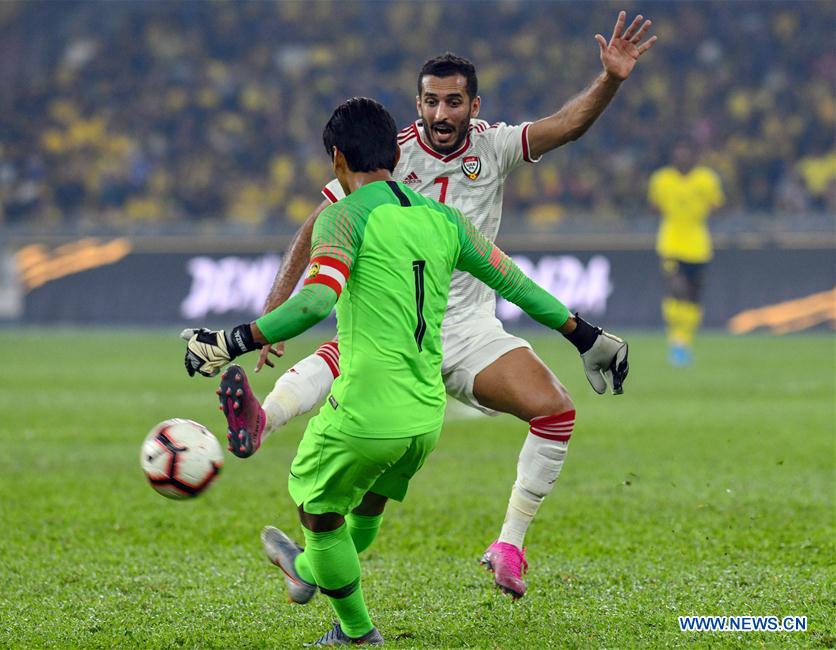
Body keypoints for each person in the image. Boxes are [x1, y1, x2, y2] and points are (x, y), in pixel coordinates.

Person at [226, 11, 656, 599]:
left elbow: (566, 126)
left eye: (454, 102)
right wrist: (277, 306)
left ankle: (507, 545)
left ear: (473, 107)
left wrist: (610, 80)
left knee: (555, 410)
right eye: (430, 101)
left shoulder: (496, 146)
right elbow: (315, 224)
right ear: (417, 103)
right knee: (347, 370)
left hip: (473, 329)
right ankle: (261, 422)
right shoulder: (388, 156)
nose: (440, 114)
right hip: (395, 318)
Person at [182, 97, 628, 646]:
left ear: (337, 159)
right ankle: (309, 570)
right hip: (424, 420)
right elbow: (516, 285)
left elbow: (314, 303)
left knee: (316, 513)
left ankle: (354, 632)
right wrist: (583, 334)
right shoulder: (443, 220)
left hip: (365, 411)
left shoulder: (341, 216)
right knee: (367, 500)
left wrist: (231, 341)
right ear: (396, 152)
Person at [648, 140, 724, 366]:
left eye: (685, 155)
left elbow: (717, 205)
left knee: (693, 297)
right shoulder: (662, 179)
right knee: (676, 289)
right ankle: (676, 340)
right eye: (677, 155)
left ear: (694, 157)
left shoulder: (707, 179)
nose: (681, 159)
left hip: (699, 246)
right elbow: (654, 206)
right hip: (671, 243)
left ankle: (684, 341)